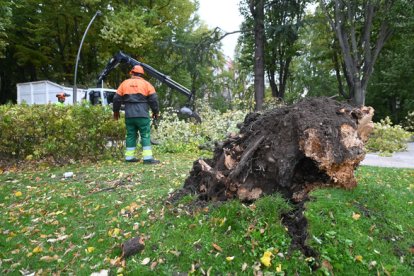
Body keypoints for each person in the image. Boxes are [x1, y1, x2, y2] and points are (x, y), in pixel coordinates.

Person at [113, 65, 160, 164]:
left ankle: (129, 158)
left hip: (129, 115)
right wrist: (155, 112)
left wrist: (116, 111)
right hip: (142, 114)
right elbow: (153, 100)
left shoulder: (124, 84)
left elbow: (116, 99)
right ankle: (147, 158)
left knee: (130, 135)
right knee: (145, 135)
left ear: (132, 73)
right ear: (142, 74)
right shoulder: (147, 84)